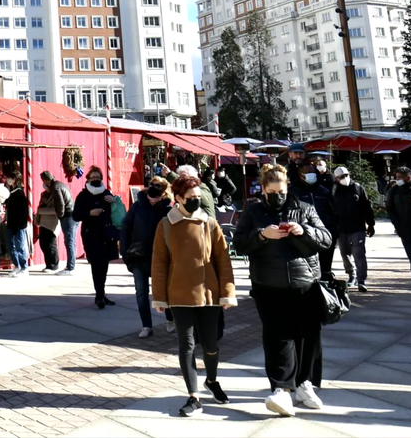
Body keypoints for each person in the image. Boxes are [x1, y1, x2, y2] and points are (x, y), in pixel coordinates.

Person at [235, 163, 332, 418]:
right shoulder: (254, 212)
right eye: (272, 191)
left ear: (288, 188)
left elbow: (326, 239)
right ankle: (281, 389)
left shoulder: (304, 208)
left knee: (308, 336)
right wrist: (262, 235)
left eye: (282, 190)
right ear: (264, 190)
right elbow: (239, 243)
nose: (278, 196)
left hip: (305, 283)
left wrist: (304, 231)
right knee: (278, 337)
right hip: (269, 285)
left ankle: (304, 384)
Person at [152, 174, 236, 417]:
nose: (195, 201)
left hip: (209, 295)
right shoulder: (166, 225)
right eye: (191, 198)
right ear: (177, 198)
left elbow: (223, 260)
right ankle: (193, 396)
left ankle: (211, 380)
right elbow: (159, 263)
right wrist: (159, 296)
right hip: (178, 295)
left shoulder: (209, 223)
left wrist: (227, 293)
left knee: (210, 344)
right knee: (186, 346)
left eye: (198, 197)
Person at [122, 176, 173, 337]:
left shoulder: (168, 210)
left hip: (160, 258)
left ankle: (170, 319)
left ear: (163, 194)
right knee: (141, 292)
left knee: (165, 290)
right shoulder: (137, 207)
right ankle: (146, 326)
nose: (152, 199)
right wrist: (125, 253)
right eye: (151, 194)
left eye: (156, 196)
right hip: (138, 256)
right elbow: (125, 228)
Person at [74, 166, 120, 309]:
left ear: (101, 179)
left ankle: (101, 293)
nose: (95, 179)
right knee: (96, 264)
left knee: (104, 264)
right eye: (92, 177)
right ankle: (99, 295)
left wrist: (114, 201)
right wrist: (89, 213)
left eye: (97, 177)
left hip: (106, 234)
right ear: (87, 179)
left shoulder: (106, 193)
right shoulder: (83, 195)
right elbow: (75, 215)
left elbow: (117, 211)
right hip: (91, 234)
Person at [330, 166, 376, 292]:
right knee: (345, 254)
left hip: (357, 227)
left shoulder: (358, 188)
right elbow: (329, 208)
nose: (344, 178)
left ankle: (361, 280)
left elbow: (367, 206)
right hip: (341, 228)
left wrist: (371, 224)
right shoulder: (333, 190)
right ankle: (351, 275)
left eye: (346, 175)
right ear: (337, 179)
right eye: (341, 177)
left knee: (359, 253)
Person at [292, 162, 337, 280]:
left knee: (325, 266)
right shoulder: (293, 192)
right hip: (304, 234)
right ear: (301, 175)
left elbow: (333, 209)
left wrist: (333, 228)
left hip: (324, 232)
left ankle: (326, 280)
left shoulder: (322, 191)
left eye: (313, 173)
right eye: (308, 173)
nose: (312, 175)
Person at [41, 171, 76, 275]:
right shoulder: (60, 184)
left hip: (68, 215)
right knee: (70, 242)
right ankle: (70, 266)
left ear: (47, 180)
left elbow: (60, 203)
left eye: (44, 180)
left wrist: (60, 216)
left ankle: (70, 267)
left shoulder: (55, 187)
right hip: (71, 214)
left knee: (69, 242)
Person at [35, 171, 67, 273]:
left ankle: (54, 265)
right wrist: (37, 218)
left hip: (52, 222)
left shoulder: (56, 192)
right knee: (43, 243)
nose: (44, 183)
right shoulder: (43, 194)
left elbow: (55, 209)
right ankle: (48, 264)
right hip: (43, 221)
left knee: (50, 244)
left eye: (45, 180)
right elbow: (40, 206)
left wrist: (41, 211)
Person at [3, 170, 31, 277]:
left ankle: (24, 267)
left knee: (20, 245)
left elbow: (23, 211)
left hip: (19, 225)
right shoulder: (11, 191)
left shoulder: (19, 192)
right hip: (11, 223)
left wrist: (20, 224)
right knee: (11, 245)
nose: (9, 180)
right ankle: (17, 265)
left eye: (11, 178)